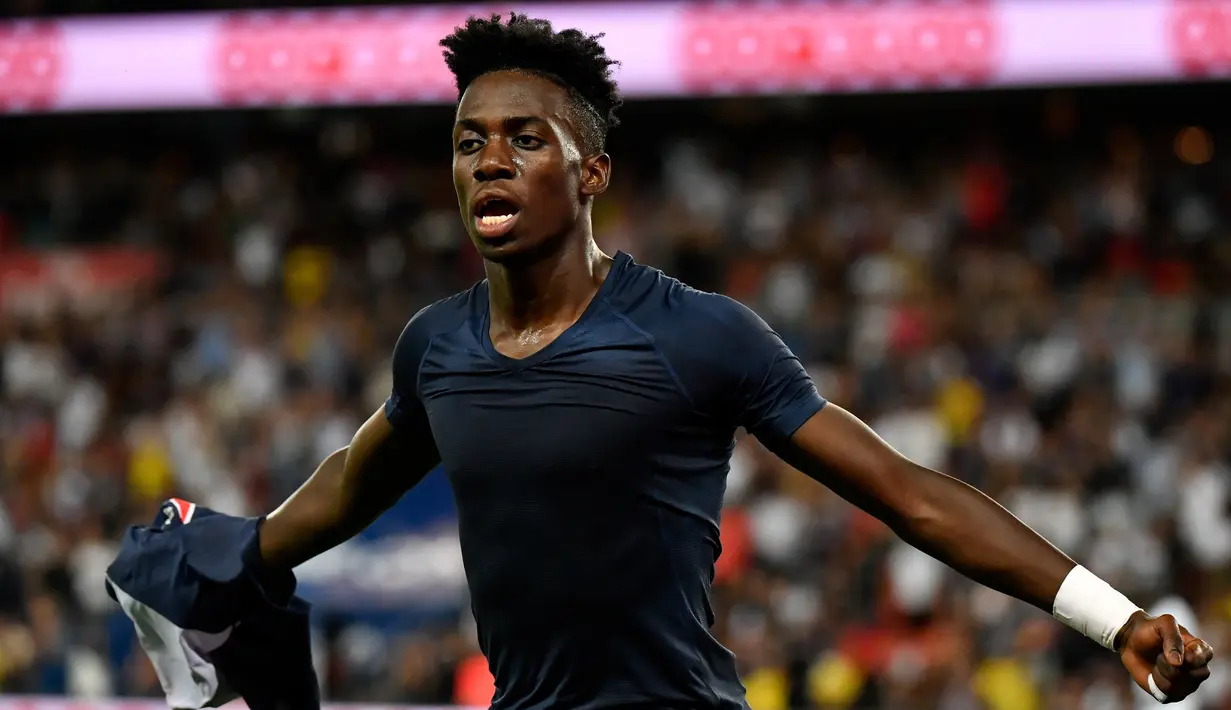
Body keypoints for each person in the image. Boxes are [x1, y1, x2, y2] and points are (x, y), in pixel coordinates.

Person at [254, 13, 1214, 710]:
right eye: (469, 143)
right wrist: (235, 558)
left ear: (591, 174)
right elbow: (350, 484)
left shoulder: (695, 333)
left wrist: (1113, 619)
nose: (489, 161)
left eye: (523, 139)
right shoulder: (435, 345)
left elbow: (904, 491)